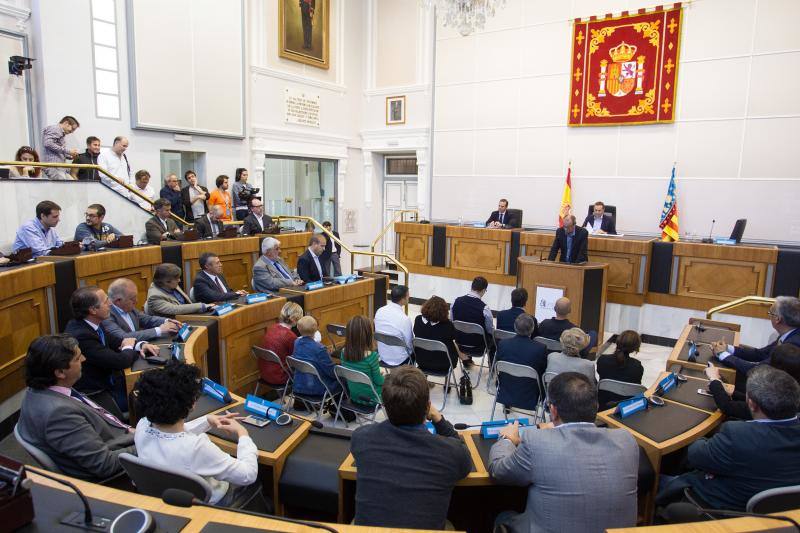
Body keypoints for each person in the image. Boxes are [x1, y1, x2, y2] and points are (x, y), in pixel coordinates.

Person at [490, 372, 638, 532]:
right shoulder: (626, 440)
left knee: (503, 516)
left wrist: (507, 438)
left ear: (553, 411)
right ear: (595, 407)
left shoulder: (536, 442)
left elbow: (498, 471)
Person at [657, 365, 800, 512]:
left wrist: (703, 438)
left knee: (659, 478)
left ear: (751, 404)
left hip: (725, 504)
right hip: (781, 511)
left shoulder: (737, 435)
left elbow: (695, 455)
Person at [350, 366, 472, 529]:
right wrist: (439, 419)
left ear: (385, 406)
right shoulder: (450, 453)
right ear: (427, 407)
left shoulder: (361, 438)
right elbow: (464, 457)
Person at [133, 362, 258, 505]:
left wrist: (207, 421)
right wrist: (243, 434)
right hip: (212, 503)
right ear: (191, 403)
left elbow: (173, 433)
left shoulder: (142, 426)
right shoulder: (196, 447)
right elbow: (248, 474)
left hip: (165, 498)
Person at [17, 335, 135, 480]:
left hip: (119, 436)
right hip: (119, 475)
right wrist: (151, 444)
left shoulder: (41, 390)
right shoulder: (59, 414)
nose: (84, 359)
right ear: (60, 372)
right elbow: (105, 464)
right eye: (78, 358)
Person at [64, 286, 158, 415]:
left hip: (113, 382)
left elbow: (117, 341)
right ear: (93, 310)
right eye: (105, 301)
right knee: (152, 398)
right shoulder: (82, 335)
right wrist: (128, 347)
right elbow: (120, 361)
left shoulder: (94, 323)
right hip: (99, 393)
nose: (110, 303)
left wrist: (140, 345)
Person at [705, 343, 800, 420]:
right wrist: (733, 392)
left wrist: (714, 379)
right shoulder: (791, 389)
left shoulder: (774, 396)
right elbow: (754, 399)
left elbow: (728, 407)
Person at [713, 296, 800, 376]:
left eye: (770, 313)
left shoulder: (793, 344)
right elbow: (761, 354)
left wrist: (722, 354)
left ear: (778, 319)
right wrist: (728, 348)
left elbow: (756, 370)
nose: (769, 316)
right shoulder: (788, 333)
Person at [495, 313, 547, 412]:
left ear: (515, 327)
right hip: (530, 393)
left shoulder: (503, 344)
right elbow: (543, 370)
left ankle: (507, 404)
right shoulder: (540, 348)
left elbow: (498, 366)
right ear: (532, 329)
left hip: (506, 389)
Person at [103, 278, 181, 342]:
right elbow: (123, 337)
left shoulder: (129, 307)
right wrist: (159, 330)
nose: (136, 301)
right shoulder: (106, 315)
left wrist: (167, 321)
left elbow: (148, 319)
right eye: (132, 298)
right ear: (118, 301)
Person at [292, 315, 342, 400]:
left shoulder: (296, 343)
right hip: (318, 389)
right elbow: (331, 372)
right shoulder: (320, 348)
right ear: (316, 329)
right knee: (344, 379)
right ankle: (338, 410)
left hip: (298, 386)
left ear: (298, 328)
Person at [413, 295, 465, 373]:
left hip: (421, 361)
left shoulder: (418, 320)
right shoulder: (448, 325)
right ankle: (465, 359)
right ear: (444, 311)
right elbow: (454, 338)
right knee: (453, 344)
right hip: (444, 363)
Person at [451, 276, 495, 365]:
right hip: (479, 348)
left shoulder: (455, 302)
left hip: (459, 345)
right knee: (495, 339)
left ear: (472, 287)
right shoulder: (485, 309)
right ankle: (492, 368)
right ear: (483, 290)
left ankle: (466, 361)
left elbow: (452, 322)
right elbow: (490, 330)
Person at [145, 263, 215, 318]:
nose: (179, 280)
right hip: (174, 324)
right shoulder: (154, 297)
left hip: (189, 316)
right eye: (177, 279)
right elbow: (175, 309)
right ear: (166, 281)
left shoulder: (170, 283)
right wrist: (201, 306)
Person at [341, 315, 384, 405]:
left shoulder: (343, 352)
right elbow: (379, 382)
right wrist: (385, 378)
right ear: (368, 334)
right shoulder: (372, 357)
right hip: (373, 399)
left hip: (354, 396)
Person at [596, 330, 644, 409]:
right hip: (627, 408)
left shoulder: (602, 360)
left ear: (617, 341)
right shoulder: (637, 367)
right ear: (635, 348)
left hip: (603, 406)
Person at [258, 302, 303, 385]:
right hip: (279, 376)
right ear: (295, 319)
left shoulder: (272, 327)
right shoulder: (290, 336)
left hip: (263, 373)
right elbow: (296, 359)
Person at [374, 285, 414, 367]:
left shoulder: (379, 311)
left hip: (383, 356)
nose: (408, 298)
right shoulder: (405, 319)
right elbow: (409, 344)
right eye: (407, 296)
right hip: (400, 359)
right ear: (402, 299)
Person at [41, 116, 79, 180]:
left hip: (60, 168)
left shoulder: (61, 133)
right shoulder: (55, 129)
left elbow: (58, 150)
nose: (72, 132)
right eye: (72, 128)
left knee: (72, 184)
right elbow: (48, 143)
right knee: (62, 187)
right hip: (54, 167)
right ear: (66, 123)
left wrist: (71, 156)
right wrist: (69, 151)